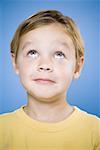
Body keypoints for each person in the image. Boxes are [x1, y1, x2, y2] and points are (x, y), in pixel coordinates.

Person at [0, 10, 99, 150]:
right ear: (15, 62)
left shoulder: (95, 132)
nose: (45, 65)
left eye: (59, 54)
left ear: (77, 66)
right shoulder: (2, 130)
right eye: (32, 53)